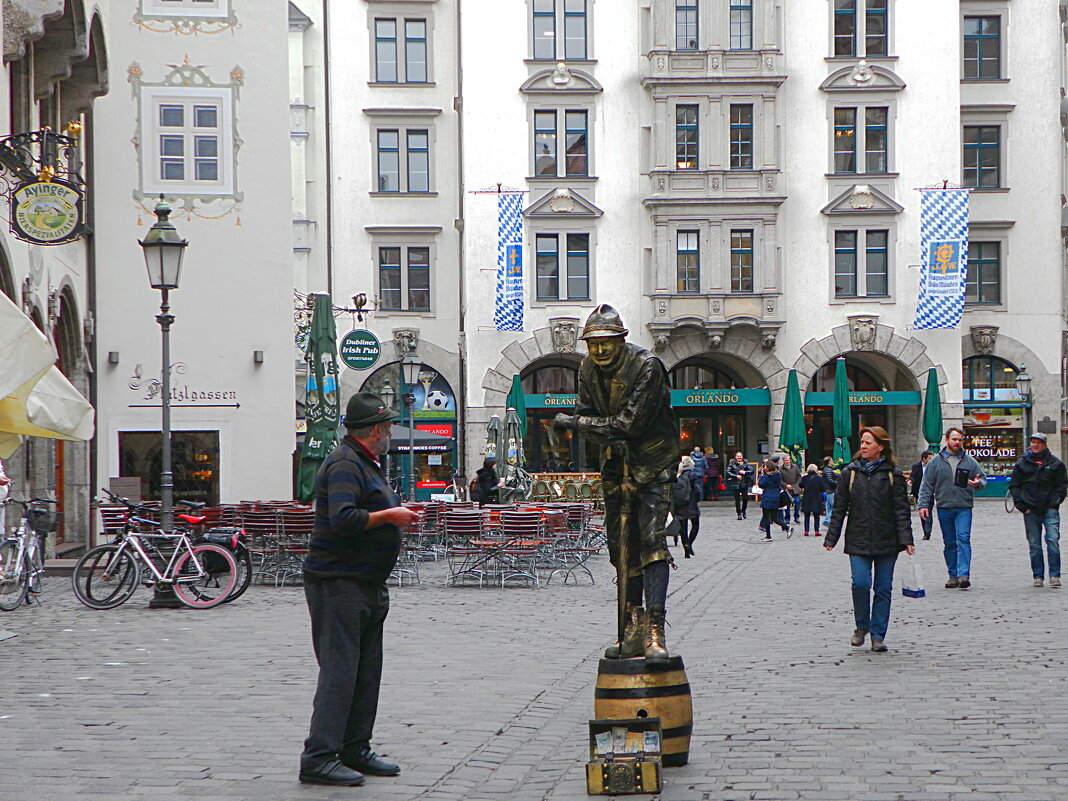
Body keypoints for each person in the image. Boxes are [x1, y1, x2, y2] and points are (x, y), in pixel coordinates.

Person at [299, 391, 421, 787]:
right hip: (339, 583)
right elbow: (344, 519)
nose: (390, 434)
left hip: (365, 583)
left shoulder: (366, 462)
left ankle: (355, 746)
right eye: (386, 428)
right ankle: (319, 756)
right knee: (340, 671)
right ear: (373, 431)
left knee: (366, 671)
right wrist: (390, 515)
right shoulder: (345, 465)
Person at [553, 304, 677, 665]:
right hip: (615, 465)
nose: (600, 350)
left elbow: (629, 424)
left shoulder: (647, 366)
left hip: (653, 463)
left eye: (607, 342)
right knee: (621, 550)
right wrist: (579, 423)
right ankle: (632, 629)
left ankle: (655, 630)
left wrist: (575, 424)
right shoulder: (588, 369)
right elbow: (588, 412)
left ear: (622, 339)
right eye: (593, 344)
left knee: (652, 544)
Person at [824, 427, 914, 652]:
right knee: (860, 584)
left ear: (880, 446)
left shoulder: (893, 474)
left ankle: (877, 635)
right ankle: (861, 626)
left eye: (868, 442)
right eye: (862, 442)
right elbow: (839, 508)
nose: (863, 446)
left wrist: (907, 539)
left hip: (887, 540)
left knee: (883, 588)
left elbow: (901, 509)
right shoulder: (850, 473)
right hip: (858, 538)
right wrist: (831, 537)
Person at [917, 427, 987, 590]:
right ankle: (952, 575)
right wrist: (922, 505)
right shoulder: (936, 462)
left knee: (963, 538)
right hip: (944, 507)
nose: (957, 442)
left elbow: (982, 479)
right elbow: (927, 485)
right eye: (954, 439)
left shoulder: (969, 460)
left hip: (964, 506)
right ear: (947, 440)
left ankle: (964, 575)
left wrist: (978, 484)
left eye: (960, 440)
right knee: (949, 542)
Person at [1009, 433, 1067, 588]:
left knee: (1052, 540)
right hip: (1030, 509)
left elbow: (1062, 486)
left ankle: (1055, 575)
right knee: (1034, 544)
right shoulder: (1022, 463)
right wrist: (1021, 505)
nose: (1035, 445)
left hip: (1049, 509)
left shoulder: (1055, 464)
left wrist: (1055, 502)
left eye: (1038, 443)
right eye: (1033, 442)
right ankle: (1038, 576)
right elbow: (1015, 485)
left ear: (1045, 445)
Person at [672, 456, 702, 558]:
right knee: (695, 525)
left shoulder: (678, 475)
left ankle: (686, 548)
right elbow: (697, 489)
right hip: (692, 503)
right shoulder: (692, 475)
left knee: (683, 528)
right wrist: (698, 499)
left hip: (680, 504)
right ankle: (689, 544)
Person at [758, 459, 793, 542]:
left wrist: (762, 475)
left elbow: (761, 485)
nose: (764, 467)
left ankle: (768, 536)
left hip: (767, 498)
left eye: (765, 466)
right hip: (776, 497)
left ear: (768, 467)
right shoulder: (777, 474)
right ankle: (787, 528)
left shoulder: (767, 476)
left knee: (766, 517)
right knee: (774, 517)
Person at [908, 451, 934, 540]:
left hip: (930, 492)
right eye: (929, 458)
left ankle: (928, 531)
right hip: (919, 492)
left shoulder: (933, 466)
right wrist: (910, 480)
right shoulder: (916, 467)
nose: (931, 460)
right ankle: (925, 530)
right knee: (922, 512)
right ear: (924, 458)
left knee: (928, 512)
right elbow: (912, 475)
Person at [726, 451, 754, 520]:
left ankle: (743, 511)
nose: (739, 457)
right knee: (737, 500)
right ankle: (739, 513)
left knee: (745, 499)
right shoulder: (732, 464)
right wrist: (735, 476)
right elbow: (728, 472)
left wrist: (745, 472)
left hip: (744, 483)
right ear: (735, 457)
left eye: (740, 456)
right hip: (735, 484)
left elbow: (752, 471)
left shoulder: (746, 464)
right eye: (738, 456)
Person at [799, 464, 825, 536]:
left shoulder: (805, 478)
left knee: (806, 515)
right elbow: (823, 488)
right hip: (816, 498)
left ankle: (806, 531)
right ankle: (816, 530)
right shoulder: (819, 478)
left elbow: (801, 485)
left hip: (807, 497)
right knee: (816, 516)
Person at [779, 455, 802, 524]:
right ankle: (787, 518)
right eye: (785, 460)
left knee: (797, 502)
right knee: (787, 504)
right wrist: (786, 485)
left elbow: (799, 476)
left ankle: (796, 517)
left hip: (795, 488)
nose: (787, 462)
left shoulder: (795, 467)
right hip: (786, 489)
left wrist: (797, 484)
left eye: (788, 460)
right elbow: (780, 480)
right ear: (783, 461)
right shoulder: (780, 469)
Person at [821, 456, 838, 528]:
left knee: (829, 507)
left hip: (828, 490)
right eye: (831, 460)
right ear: (829, 462)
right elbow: (830, 480)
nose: (833, 462)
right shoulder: (828, 470)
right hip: (831, 490)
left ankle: (827, 520)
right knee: (833, 506)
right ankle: (828, 521)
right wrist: (838, 483)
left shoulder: (827, 469)